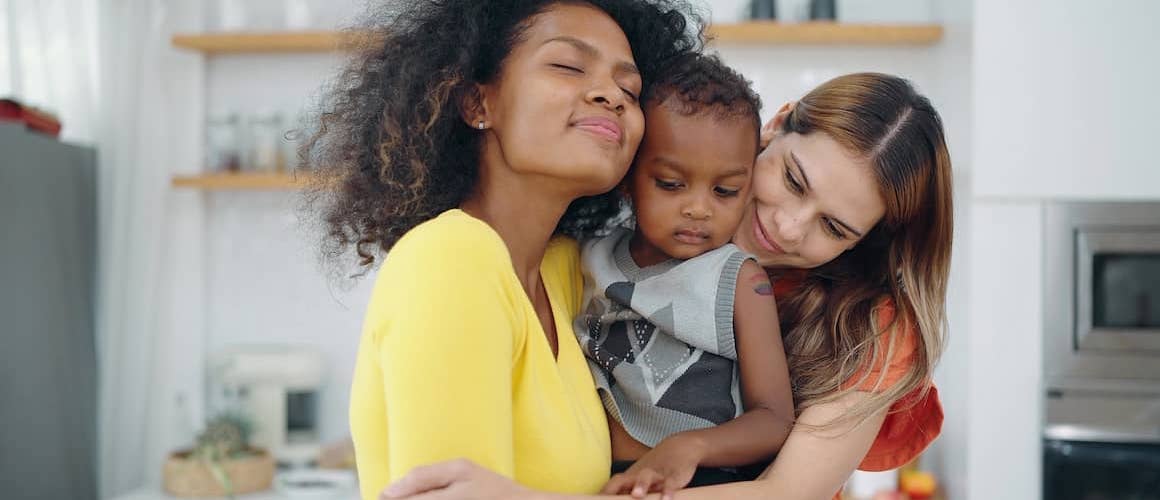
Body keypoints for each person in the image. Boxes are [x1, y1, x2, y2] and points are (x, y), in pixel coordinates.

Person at [379, 72, 952, 500]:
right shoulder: (616, 242)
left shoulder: (867, 331)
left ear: (866, 242)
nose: (787, 226)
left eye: (834, 227)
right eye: (794, 181)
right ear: (776, 126)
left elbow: (781, 496)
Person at [297, 1, 702, 500]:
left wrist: (764, 177)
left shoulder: (566, 272)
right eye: (568, 66)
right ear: (477, 103)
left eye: (630, 89)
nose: (611, 96)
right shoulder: (451, 258)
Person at [574, 53, 793, 499]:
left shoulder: (739, 281)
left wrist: (688, 448)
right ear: (627, 175)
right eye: (671, 183)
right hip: (595, 478)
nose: (698, 208)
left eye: (725, 190)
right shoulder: (590, 255)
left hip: (702, 482)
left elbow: (774, 418)